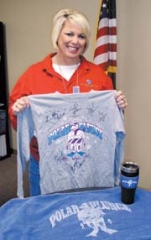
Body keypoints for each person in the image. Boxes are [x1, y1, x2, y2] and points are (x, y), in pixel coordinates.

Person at [9, 8, 127, 196]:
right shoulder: (33, 75)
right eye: (69, 34)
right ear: (57, 36)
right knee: (47, 216)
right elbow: (18, 123)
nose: (75, 41)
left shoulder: (98, 75)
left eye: (81, 36)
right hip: (45, 164)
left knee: (86, 210)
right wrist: (19, 112)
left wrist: (118, 106)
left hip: (90, 164)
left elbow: (107, 121)